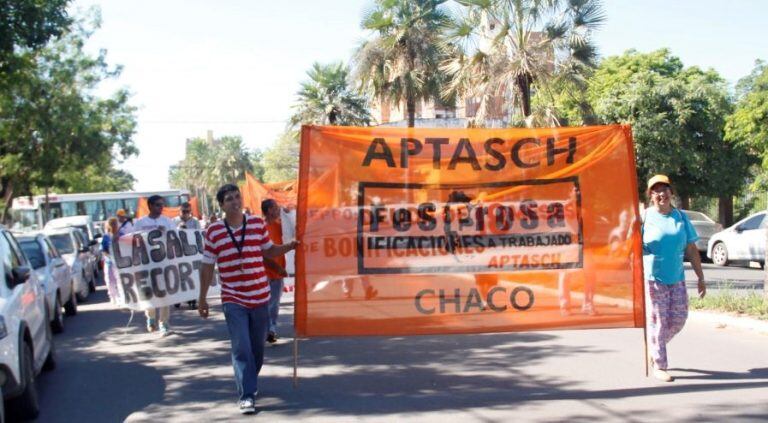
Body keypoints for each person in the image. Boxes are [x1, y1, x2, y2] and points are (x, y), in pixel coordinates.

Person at [198, 184, 298, 414]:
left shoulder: (256, 224)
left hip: (260, 295)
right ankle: (247, 394)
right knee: (241, 347)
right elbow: (206, 266)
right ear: (222, 205)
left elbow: (268, 251)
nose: (235, 201)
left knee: (256, 350)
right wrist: (202, 299)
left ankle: (250, 378)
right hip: (234, 298)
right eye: (229, 199)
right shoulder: (214, 231)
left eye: (237, 197)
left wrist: (288, 247)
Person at [642, 174, 706, 382]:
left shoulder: (680, 217)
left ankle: (655, 346)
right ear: (651, 195)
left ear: (671, 192)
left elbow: (692, 247)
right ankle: (660, 365)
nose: (661, 194)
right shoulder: (644, 217)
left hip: (676, 276)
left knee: (678, 320)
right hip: (654, 277)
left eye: (665, 189)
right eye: (656, 190)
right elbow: (632, 247)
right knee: (660, 321)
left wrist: (700, 276)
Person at [133, 195, 176, 336]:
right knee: (149, 294)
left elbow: (176, 240)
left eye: (162, 205)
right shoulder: (140, 223)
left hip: (163, 264)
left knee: (164, 294)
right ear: (150, 206)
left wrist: (167, 233)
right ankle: (150, 316)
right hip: (146, 265)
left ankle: (164, 323)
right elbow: (133, 242)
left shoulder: (168, 222)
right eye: (158, 205)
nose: (161, 207)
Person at [261, 199, 289, 344]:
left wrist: (289, 215)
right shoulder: (261, 227)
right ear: (269, 210)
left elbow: (292, 231)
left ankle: (271, 329)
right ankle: (267, 329)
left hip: (278, 272)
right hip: (263, 272)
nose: (278, 209)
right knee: (265, 304)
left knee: (274, 304)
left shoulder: (279, 226)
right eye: (275, 207)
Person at [102, 217, 120, 303]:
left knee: (120, 279)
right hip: (109, 262)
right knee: (110, 280)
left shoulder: (121, 234)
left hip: (120, 261)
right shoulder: (106, 237)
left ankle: (121, 296)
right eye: (111, 224)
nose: (113, 226)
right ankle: (113, 296)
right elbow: (103, 250)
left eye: (114, 224)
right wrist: (110, 257)